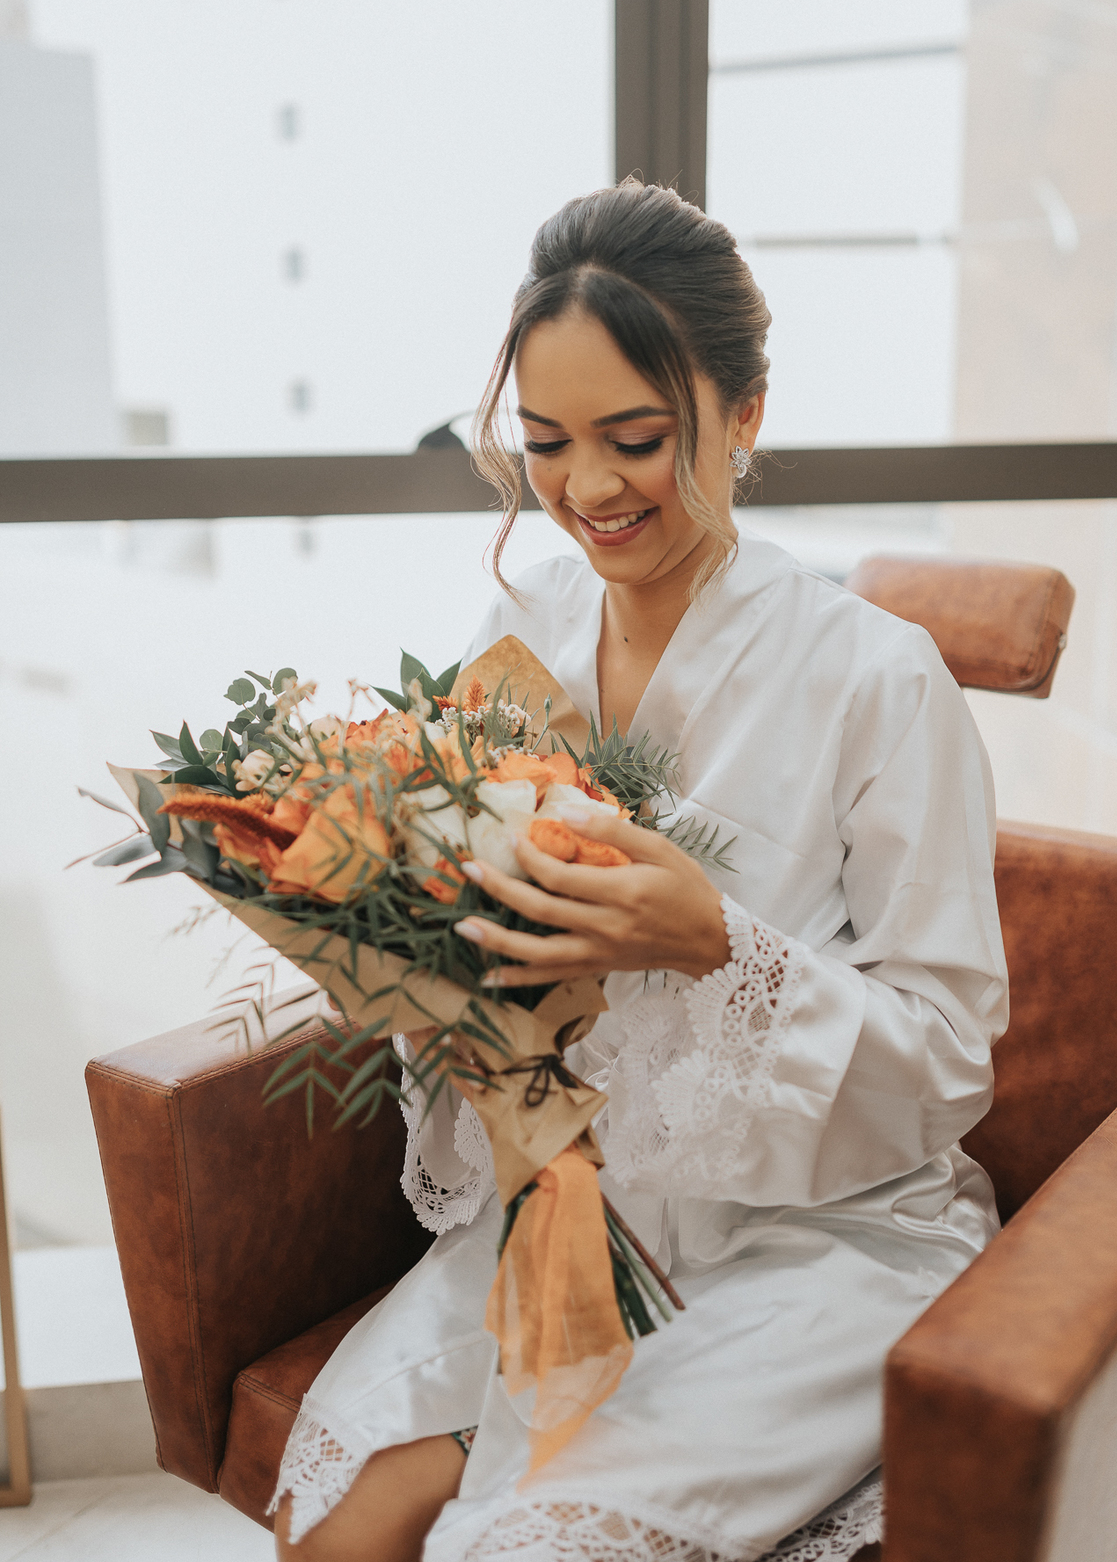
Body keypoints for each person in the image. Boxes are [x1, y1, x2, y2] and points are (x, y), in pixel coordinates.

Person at [270, 182, 1008, 1562]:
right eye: (546, 443)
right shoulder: (523, 628)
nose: (588, 491)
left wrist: (718, 945)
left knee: (530, 1546)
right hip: (573, 1208)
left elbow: (952, 1058)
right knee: (337, 1522)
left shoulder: (876, 677)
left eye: (636, 438)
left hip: (824, 1240)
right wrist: (382, 921)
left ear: (743, 414)